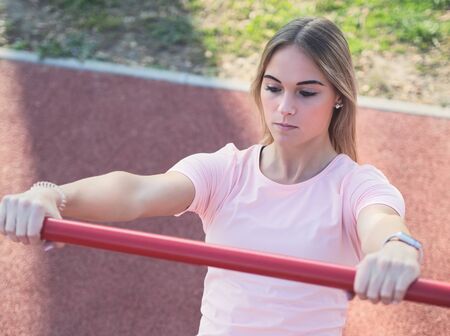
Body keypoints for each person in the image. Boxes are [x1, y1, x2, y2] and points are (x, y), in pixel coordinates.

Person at [0, 17, 423, 335]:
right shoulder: (227, 171)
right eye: (273, 88)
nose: (284, 107)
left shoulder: (355, 185)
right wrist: (53, 196)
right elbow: (138, 191)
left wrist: (397, 251)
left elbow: (384, 225)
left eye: (306, 92)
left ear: (337, 99)